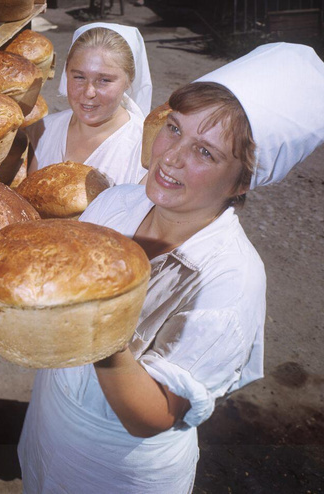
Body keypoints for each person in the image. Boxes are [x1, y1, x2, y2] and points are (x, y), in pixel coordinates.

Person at [18, 43, 324, 493]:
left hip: (116, 465)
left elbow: (152, 416)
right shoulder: (117, 202)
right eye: (174, 129)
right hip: (52, 416)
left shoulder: (230, 278)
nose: (172, 156)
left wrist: (96, 325)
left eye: (206, 152)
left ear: (243, 179)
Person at [26, 23, 152, 185]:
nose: (89, 92)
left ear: (128, 81)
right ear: (66, 73)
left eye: (104, 80)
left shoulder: (143, 151)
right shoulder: (44, 129)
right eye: (79, 77)